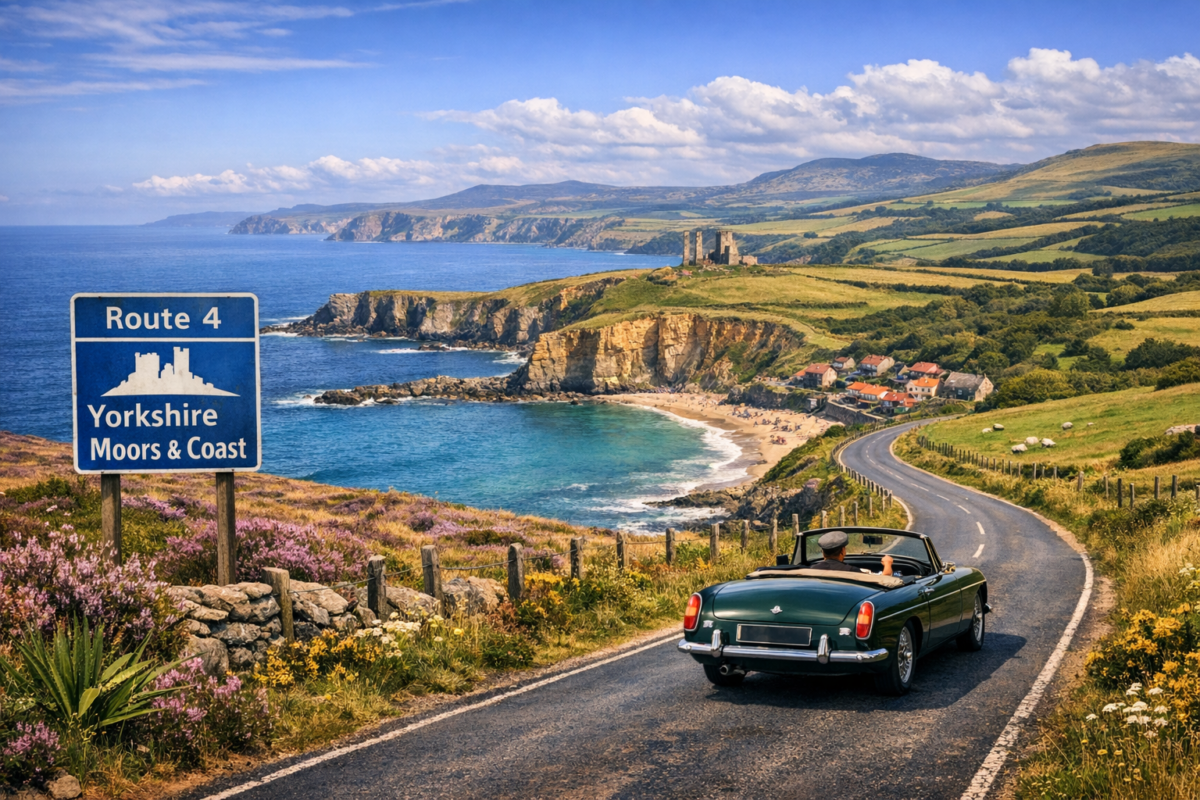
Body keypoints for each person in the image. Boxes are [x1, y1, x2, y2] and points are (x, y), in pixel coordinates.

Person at [809, 531, 893, 575]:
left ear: (823, 553)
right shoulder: (852, 571)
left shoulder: (812, 570)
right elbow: (884, 580)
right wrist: (888, 563)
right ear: (843, 551)